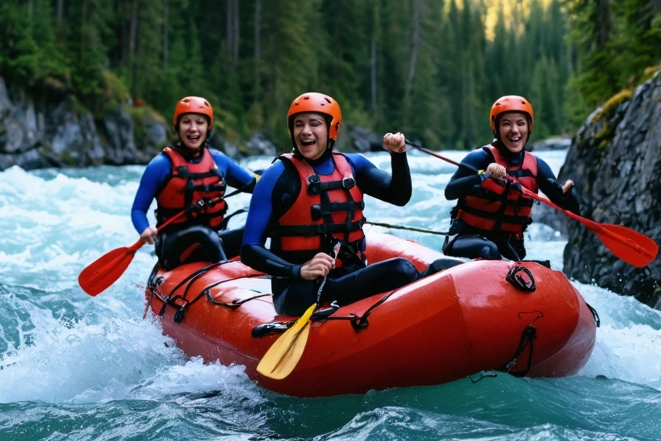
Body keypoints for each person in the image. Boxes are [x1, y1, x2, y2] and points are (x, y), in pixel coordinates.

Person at [240, 92, 455, 316]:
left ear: (332, 128)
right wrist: (298, 270)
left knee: (436, 268)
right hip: (299, 290)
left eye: (315, 124)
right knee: (400, 269)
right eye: (298, 125)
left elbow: (399, 196)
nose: (305, 131)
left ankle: (455, 287)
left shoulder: (353, 166)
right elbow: (249, 250)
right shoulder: (277, 176)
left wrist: (398, 157)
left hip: (346, 277)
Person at [443, 95, 580, 262]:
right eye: (506, 123)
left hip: (505, 245)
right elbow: (450, 192)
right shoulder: (479, 158)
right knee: (489, 250)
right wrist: (484, 175)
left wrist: (568, 196)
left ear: (528, 128)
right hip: (465, 238)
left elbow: (569, 208)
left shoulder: (537, 166)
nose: (514, 129)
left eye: (520, 123)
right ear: (497, 129)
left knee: (539, 266)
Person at [132, 96, 257, 269]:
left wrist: (276, 175)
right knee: (203, 234)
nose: (193, 129)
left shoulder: (219, 160)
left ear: (208, 127)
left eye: (199, 122)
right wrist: (144, 229)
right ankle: (225, 276)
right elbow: (138, 209)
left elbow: (256, 185)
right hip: (174, 247)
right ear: (177, 127)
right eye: (186, 122)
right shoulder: (160, 165)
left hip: (214, 239)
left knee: (253, 222)